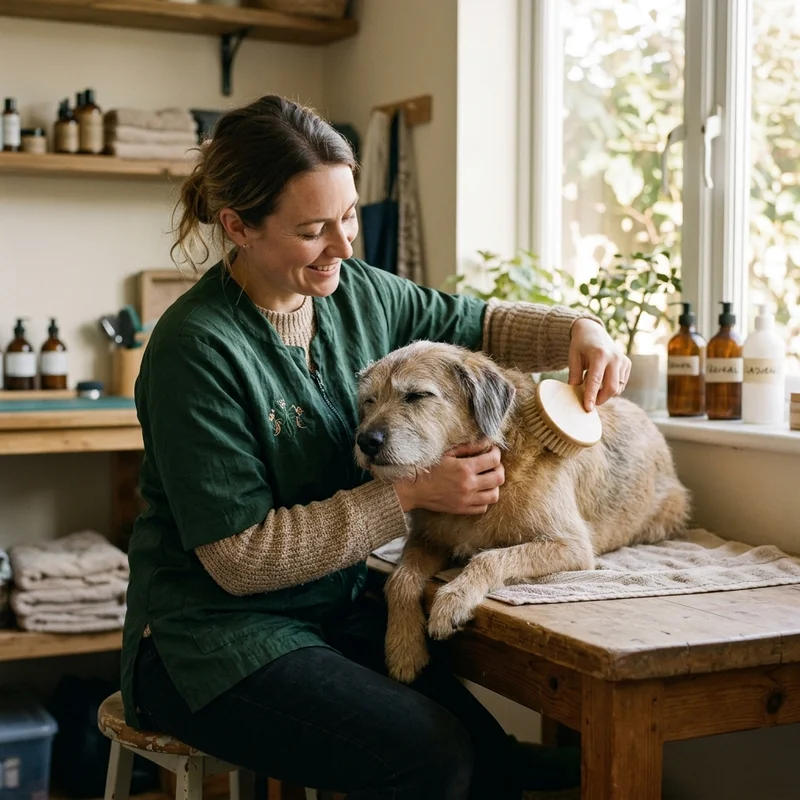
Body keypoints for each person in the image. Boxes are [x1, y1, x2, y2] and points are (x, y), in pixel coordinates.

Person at [122, 95, 630, 800]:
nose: (344, 246)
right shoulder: (194, 351)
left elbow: (478, 322)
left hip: (328, 608)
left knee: (505, 769)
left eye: (350, 215)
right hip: (211, 642)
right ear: (238, 226)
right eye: (312, 230)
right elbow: (239, 560)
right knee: (431, 760)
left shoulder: (357, 290)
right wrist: (410, 496)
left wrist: (582, 329)